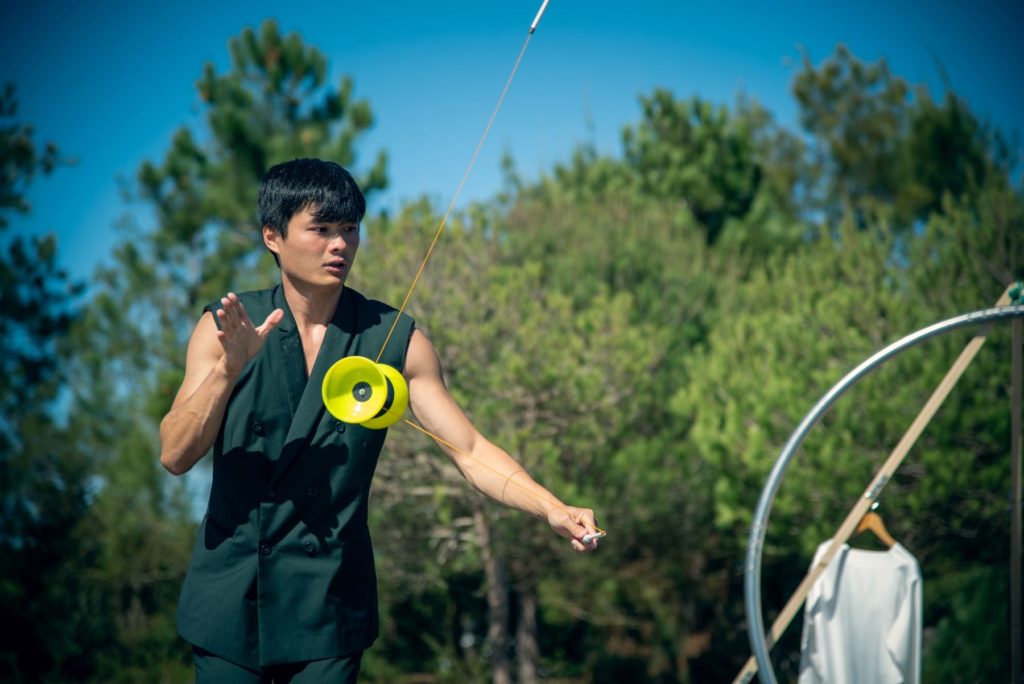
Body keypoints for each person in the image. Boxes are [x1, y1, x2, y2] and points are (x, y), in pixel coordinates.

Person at [159, 158, 601, 682]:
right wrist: (228, 370)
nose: (340, 244)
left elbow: (471, 450)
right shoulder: (226, 327)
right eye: (321, 229)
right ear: (272, 236)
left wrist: (550, 506)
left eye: (350, 228)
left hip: (330, 603)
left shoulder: (395, 337)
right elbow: (175, 455)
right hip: (230, 600)